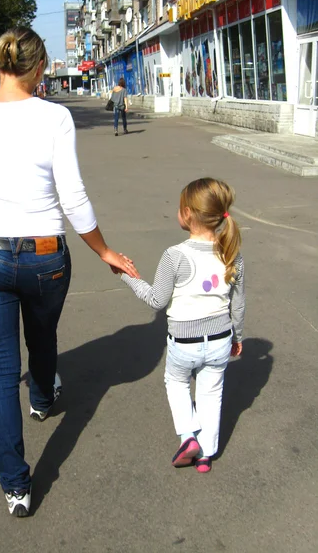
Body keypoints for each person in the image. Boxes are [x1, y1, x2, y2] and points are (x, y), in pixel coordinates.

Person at [0, 26, 139, 518]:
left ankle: (16, 487)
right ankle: (44, 398)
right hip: (46, 254)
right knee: (42, 337)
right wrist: (104, 251)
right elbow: (73, 197)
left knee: (0, 372)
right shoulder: (54, 117)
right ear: (40, 67)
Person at [120, 178, 245, 473]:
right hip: (220, 339)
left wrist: (126, 275)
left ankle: (188, 436)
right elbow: (237, 304)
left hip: (184, 343)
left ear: (187, 214)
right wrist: (237, 336)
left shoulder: (175, 255)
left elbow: (156, 300)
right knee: (211, 392)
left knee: (175, 382)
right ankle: (206, 454)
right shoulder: (232, 254)